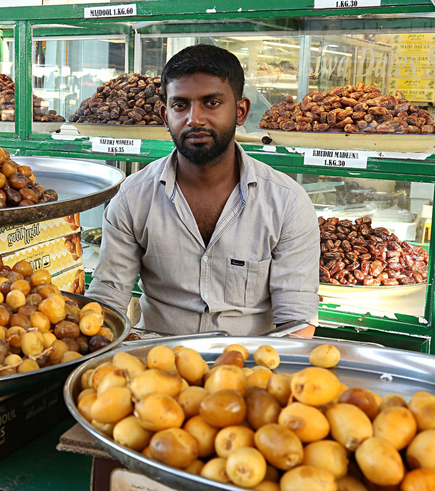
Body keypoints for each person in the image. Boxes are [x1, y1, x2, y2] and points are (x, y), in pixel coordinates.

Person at [86, 44, 319, 337]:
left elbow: (297, 322)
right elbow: (107, 301)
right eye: (180, 105)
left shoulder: (287, 202)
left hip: (247, 367)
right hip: (155, 362)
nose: (194, 119)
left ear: (241, 110)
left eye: (211, 103)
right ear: (164, 114)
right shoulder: (133, 198)